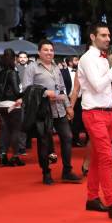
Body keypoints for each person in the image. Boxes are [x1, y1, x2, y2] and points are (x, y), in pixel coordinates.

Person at [77, 23, 112, 219]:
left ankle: (91, 198)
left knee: (99, 158)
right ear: (92, 36)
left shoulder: (102, 58)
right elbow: (98, 86)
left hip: (107, 113)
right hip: (94, 114)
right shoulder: (88, 59)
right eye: (103, 35)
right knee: (106, 158)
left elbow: (105, 88)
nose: (108, 38)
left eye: (108, 35)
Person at [22, 40, 81, 185]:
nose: (49, 52)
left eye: (51, 50)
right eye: (46, 50)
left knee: (67, 137)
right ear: (39, 52)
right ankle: (46, 172)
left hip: (60, 109)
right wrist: (44, 93)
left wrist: (68, 106)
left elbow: (62, 88)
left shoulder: (56, 67)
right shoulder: (32, 68)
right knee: (44, 143)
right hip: (43, 111)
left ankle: (67, 171)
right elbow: (26, 89)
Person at [0, 48, 25, 167]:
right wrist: (25, 94)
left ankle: (3, 155)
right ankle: (15, 156)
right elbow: (17, 91)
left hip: (1, 105)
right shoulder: (13, 73)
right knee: (15, 131)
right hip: (13, 104)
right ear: (14, 59)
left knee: (4, 131)